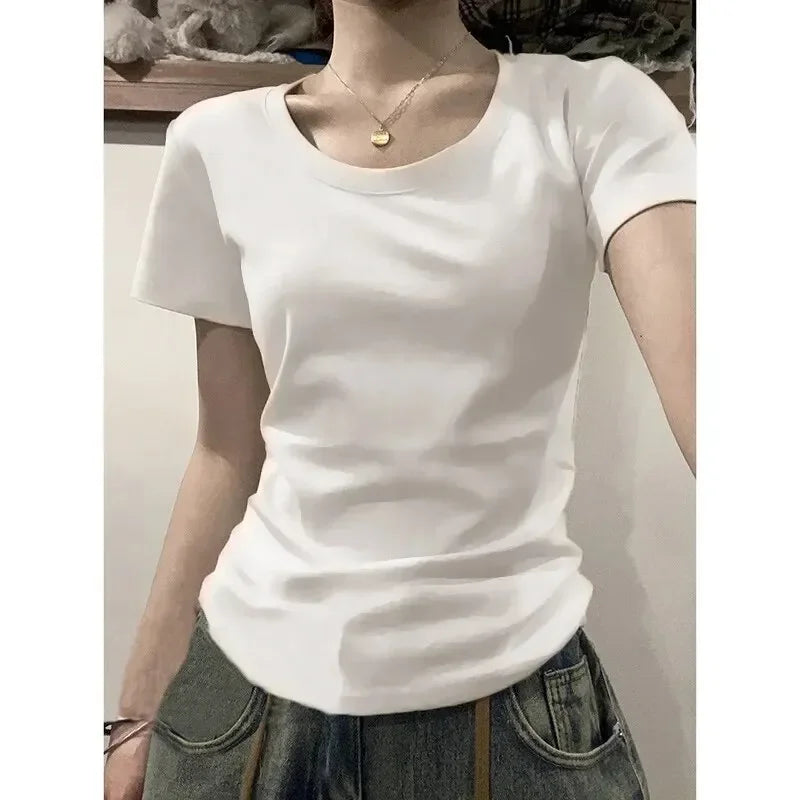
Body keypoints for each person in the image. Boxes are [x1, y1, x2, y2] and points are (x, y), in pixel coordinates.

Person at [104, 0, 696, 798]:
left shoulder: (591, 110)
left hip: (506, 700)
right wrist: (139, 709)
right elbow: (226, 449)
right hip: (236, 704)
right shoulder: (216, 142)